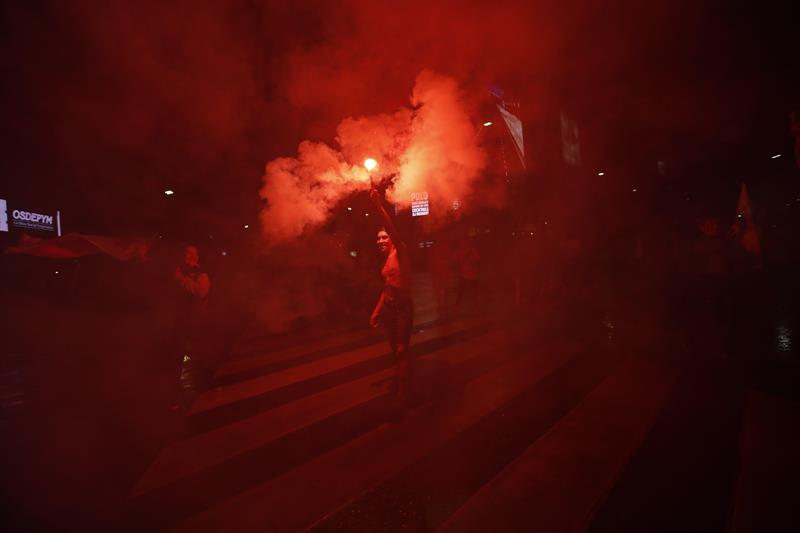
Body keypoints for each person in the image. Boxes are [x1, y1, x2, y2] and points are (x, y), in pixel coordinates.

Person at [369, 188, 413, 404]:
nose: (380, 241)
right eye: (378, 238)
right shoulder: (386, 261)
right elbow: (387, 288)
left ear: (392, 239)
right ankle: (400, 375)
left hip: (403, 310)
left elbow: (392, 228)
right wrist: (377, 311)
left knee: (401, 350)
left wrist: (378, 207)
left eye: (384, 237)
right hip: (388, 309)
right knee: (395, 349)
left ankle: (403, 390)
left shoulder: (400, 252)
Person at [171, 244, 210, 403]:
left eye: (192, 253)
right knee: (178, 355)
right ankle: (178, 389)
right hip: (179, 320)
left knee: (196, 353)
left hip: (196, 320)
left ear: (197, 257)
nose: (189, 256)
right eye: (186, 253)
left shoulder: (201, 274)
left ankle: (201, 388)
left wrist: (181, 279)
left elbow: (200, 292)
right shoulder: (177, 271)